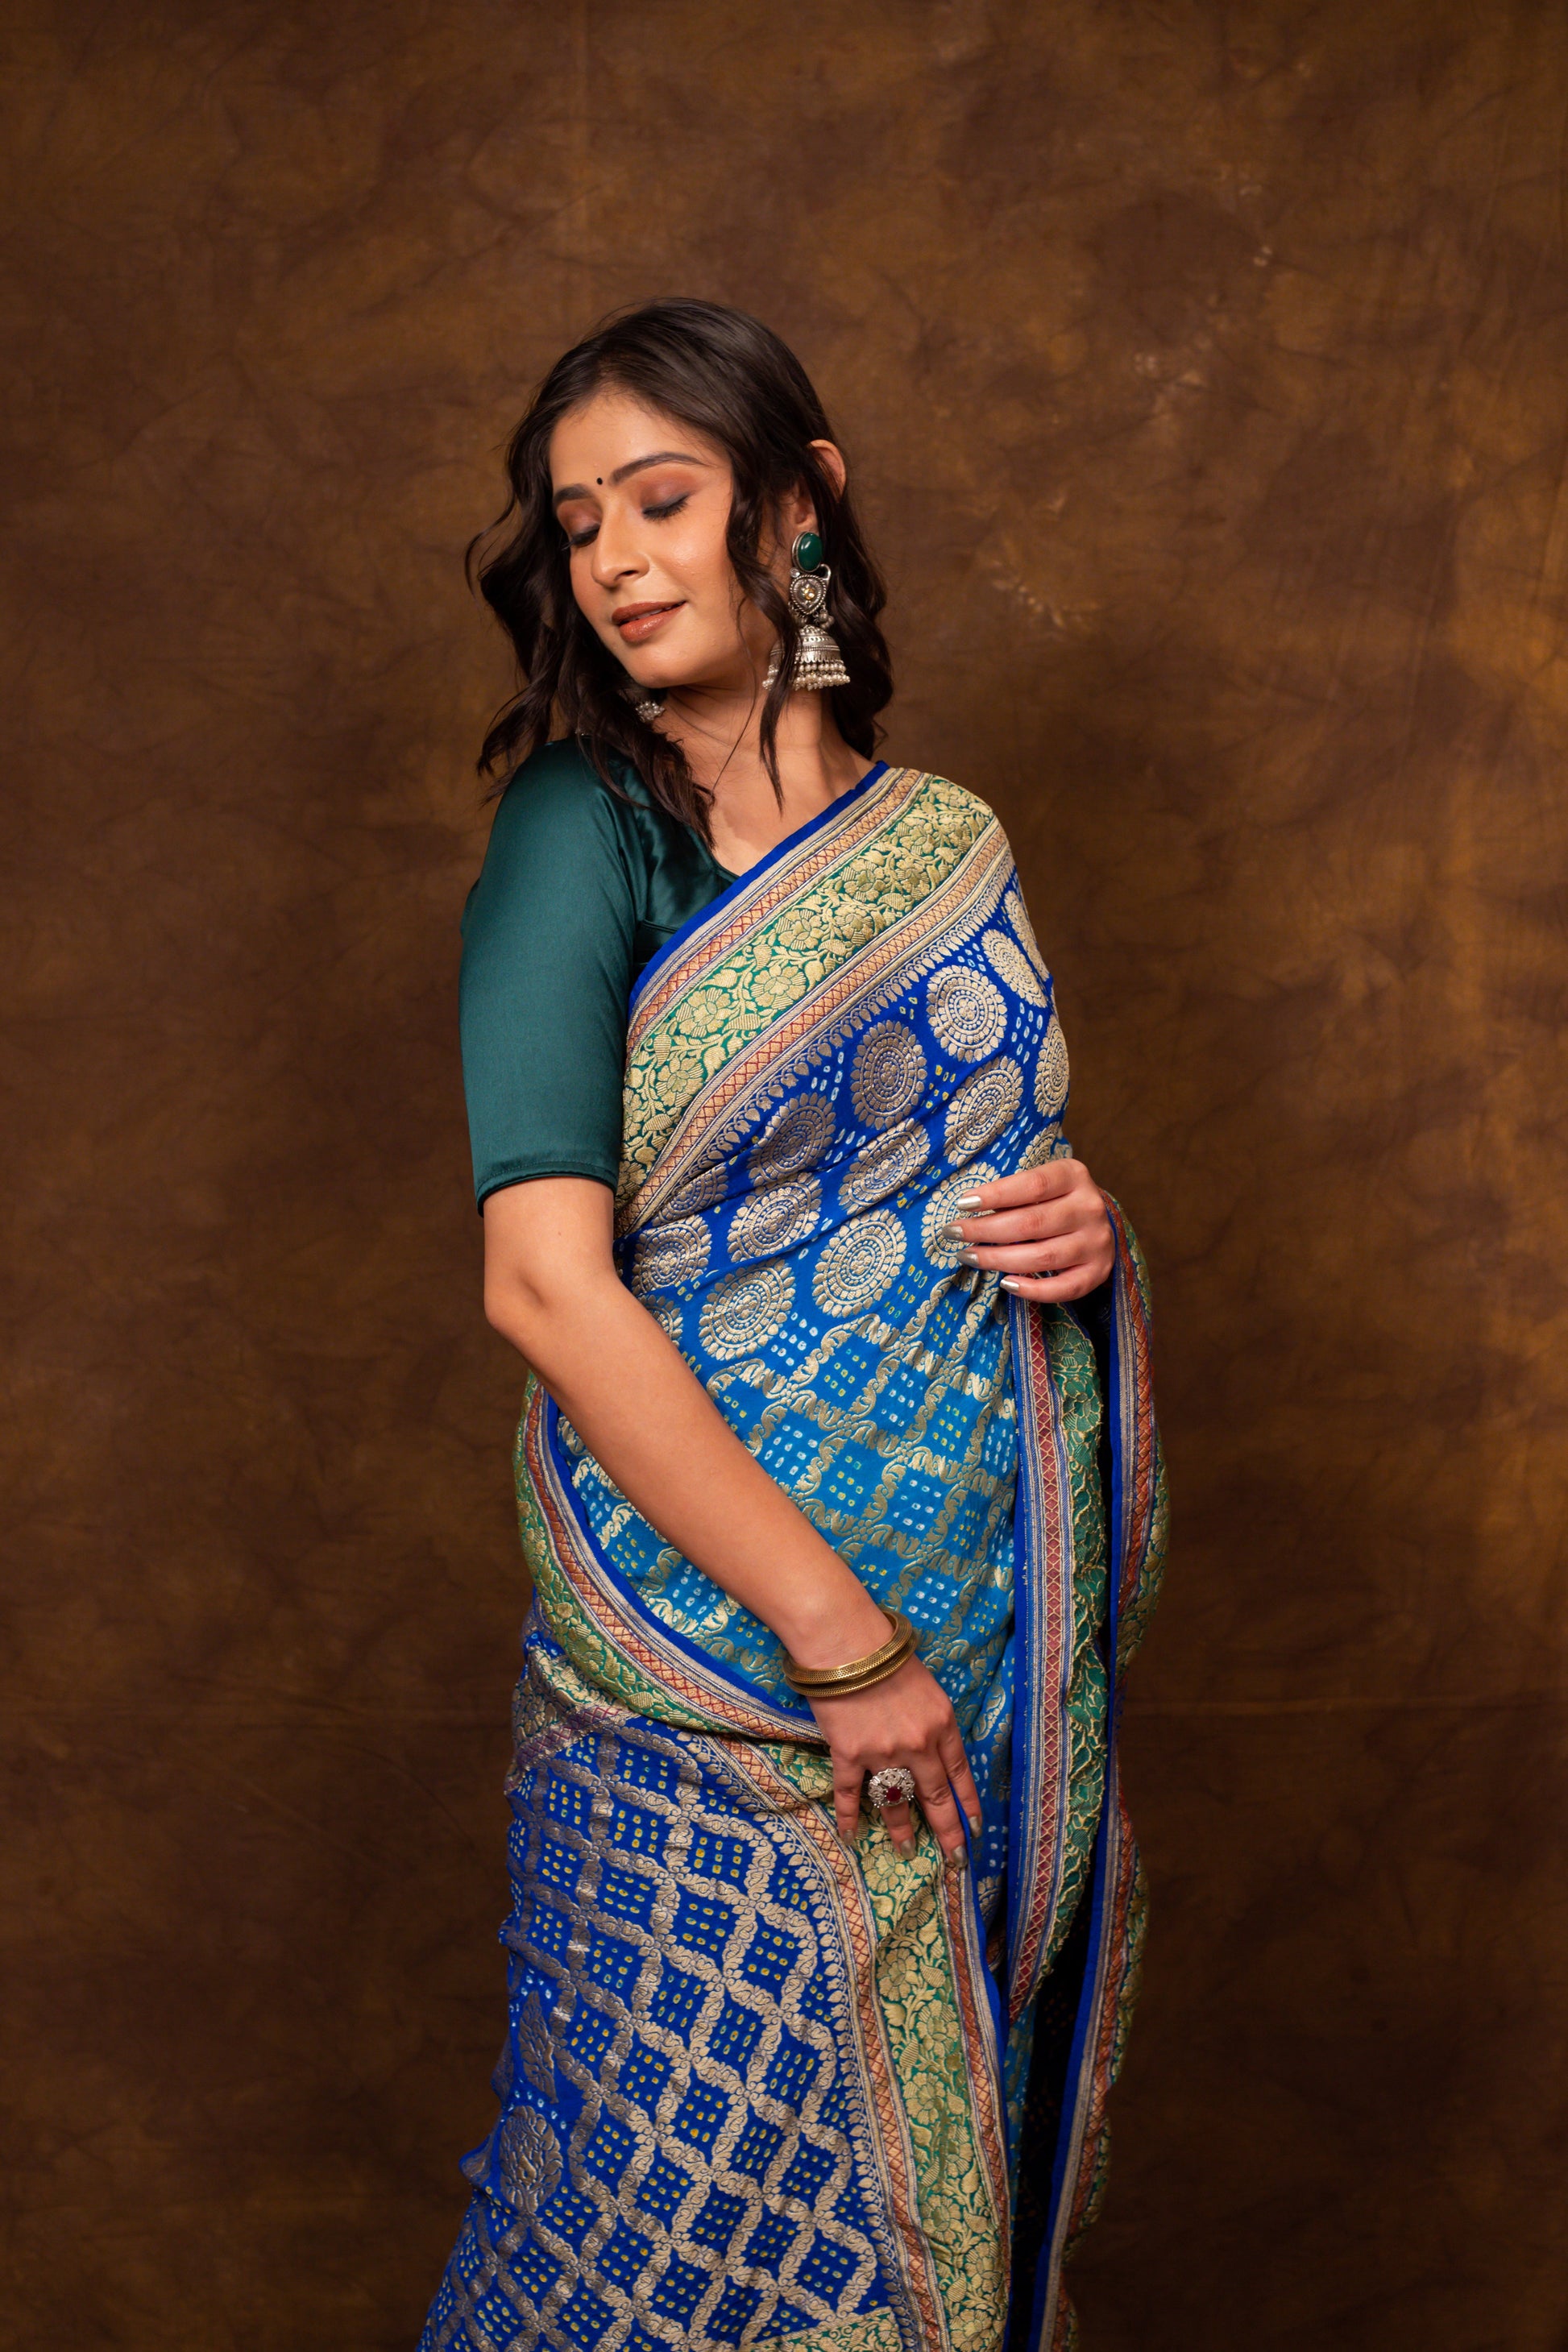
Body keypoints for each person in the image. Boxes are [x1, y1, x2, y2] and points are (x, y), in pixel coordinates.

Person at [419, 300, 1167, 2352]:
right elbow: (543, 1279)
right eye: (579, 522)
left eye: (661, 500)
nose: (615, 558)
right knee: (650, 2222)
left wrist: (1084, 1233)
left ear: (798, 503)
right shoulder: (584, 827)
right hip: (715, 1663)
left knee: (943, 2217)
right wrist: (843, 1643)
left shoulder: (943, 845)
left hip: (979, 1651)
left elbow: (966, 1189)